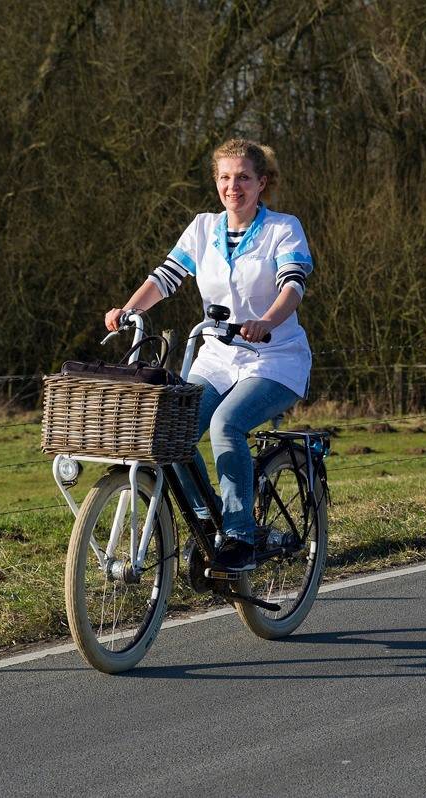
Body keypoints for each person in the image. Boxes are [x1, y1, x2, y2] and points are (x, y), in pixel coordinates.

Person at [104, 139, 314, 572]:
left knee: (226, 424)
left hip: (273, 358)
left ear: (262, 182)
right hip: (217, 358)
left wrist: (267, 321)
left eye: (243, 177)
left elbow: (293, 284)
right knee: (172, 430)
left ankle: (239, 536)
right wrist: (128, 309)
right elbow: (166, 276)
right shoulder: (203, 228)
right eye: (225, 177)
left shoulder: (283, 228)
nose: (233, 186)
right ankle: (208, 516)